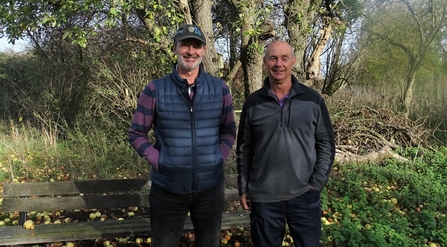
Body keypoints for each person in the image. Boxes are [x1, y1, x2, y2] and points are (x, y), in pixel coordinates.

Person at [127, 24, 237, 247]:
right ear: (175, 48)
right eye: (185, 45)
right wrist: (161, 161)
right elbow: (136, 133)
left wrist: (218, 157)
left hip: (210, 190)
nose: (190, 51)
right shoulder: (155, 89)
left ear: (204, 50)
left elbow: (228, 131)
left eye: (196, 46)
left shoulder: (220, 89)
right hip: (168, 189)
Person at [236, 40, 335, 247]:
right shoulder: (253, 103)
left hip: (304, 195)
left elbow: (326, 144)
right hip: (264, 199)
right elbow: (245, 149)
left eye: (284, 58)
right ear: (265, 62)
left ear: (293, 62)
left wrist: (316, 184)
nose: (278, 64)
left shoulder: (312, 100)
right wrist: (244, 187)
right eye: (273, 58)